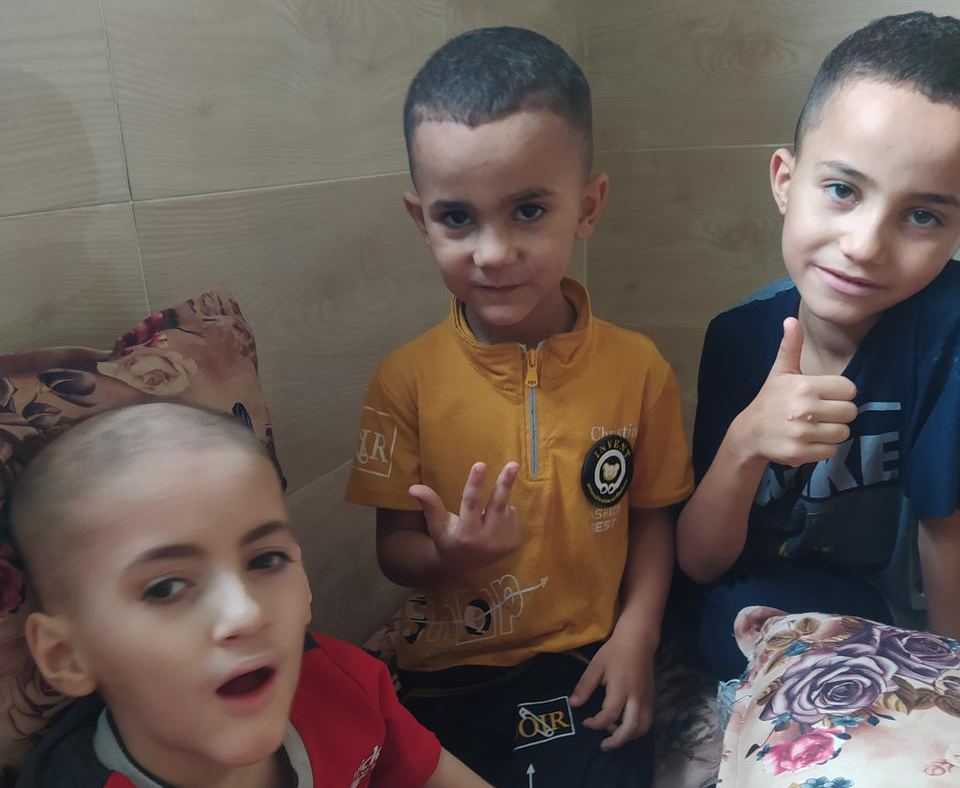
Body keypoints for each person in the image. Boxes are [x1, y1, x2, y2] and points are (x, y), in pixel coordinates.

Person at [345, 26, 693, 788]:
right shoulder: (403, 381)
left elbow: (652, 517)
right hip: (447, 674)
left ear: (588, 207)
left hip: (581, 659)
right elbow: (393, 548)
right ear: (421, 219)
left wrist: (637, 635)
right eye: (457, 217)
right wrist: (451, 558)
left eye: (529, 210)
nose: (493, 252)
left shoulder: (638, 369)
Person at [676, 11, 960, 680]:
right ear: (785, 180)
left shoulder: (946, 327)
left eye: (922, 215)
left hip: (901, 604)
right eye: (842, 190)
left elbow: (945, 530)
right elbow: (700, 562)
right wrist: (747, 441)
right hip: (781, 596)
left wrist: (950, 681)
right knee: (727, 623)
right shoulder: (737, 337)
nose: (865, 246)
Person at [9, 403, 492, 788]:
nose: (245, 612)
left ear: (304, 586)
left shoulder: (342, 679)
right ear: (67, 656)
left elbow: (430, 769)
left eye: (265, 560)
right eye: (165, 588)